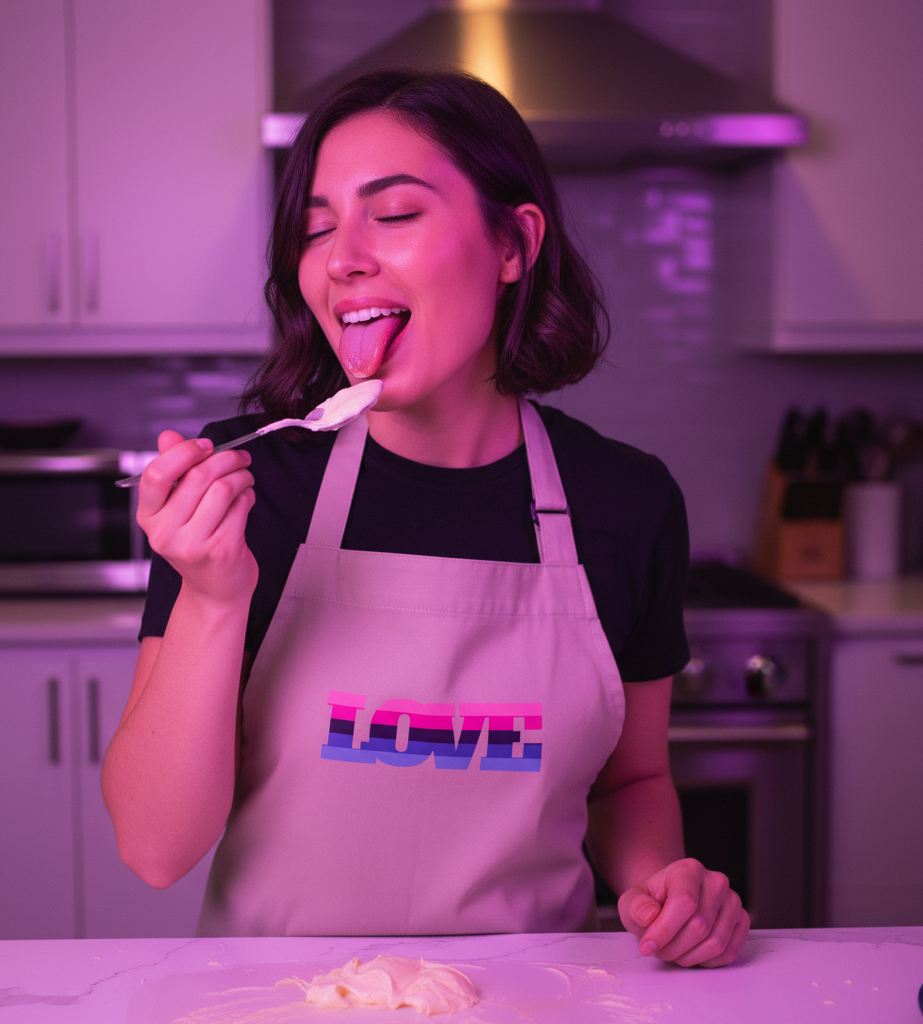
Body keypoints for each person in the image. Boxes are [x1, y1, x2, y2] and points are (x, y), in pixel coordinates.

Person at [102, 69, 749, 967]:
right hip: (269, 1005)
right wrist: (212, 597)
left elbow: (630, 779)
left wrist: (662, 880)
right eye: (317, 227)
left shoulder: (627, 503)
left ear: (514, 243)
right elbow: (154, 846)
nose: (341, 258)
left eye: (394, 214)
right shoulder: (248, 487)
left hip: (539, 999)